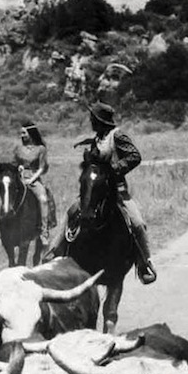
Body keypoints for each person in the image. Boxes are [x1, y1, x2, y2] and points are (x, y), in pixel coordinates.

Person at [59, 102, 157, 285]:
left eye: (93, 119)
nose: (91, 122)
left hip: (116, 191)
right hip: (94, 192)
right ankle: (57, 254)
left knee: (137, 223)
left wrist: (112, 169)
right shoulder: (98, 137)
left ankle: (145, 264)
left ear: (100, 120)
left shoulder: (118, 135)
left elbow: (135, 156)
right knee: (72, 213)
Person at [9, 122, 57, 246]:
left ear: (31, 133)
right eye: (21, 133)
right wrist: (18, 167)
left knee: (43, 199)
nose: (22, 135)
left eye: (24, 133)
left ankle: (44, 232)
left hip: (34, 178)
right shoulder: (18, 148)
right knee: (4, 197)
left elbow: (41, 168)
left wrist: (32, 179)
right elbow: (13, 164)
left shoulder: (41, 149)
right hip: (19, 178)